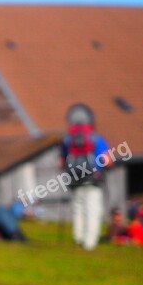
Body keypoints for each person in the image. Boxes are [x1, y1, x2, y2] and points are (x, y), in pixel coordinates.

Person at [60, 103, 111, 251]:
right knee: (92, 210)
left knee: (78, 208)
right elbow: (106, 160)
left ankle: (78, 238)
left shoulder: (67, 140)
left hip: (75, 179)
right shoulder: (96, 139)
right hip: (93, 180)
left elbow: (61, 161)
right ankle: (89, 244)